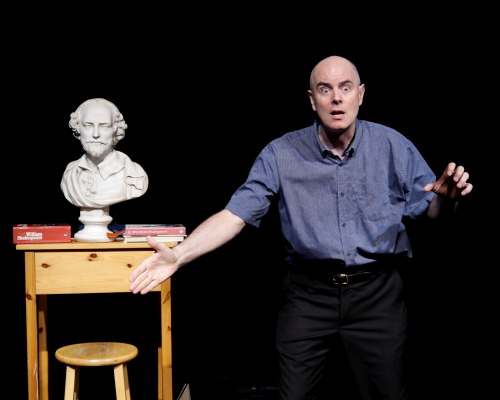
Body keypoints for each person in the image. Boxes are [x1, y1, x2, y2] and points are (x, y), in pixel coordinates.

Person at [129, 56, 472, 399]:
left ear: (360, 95)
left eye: (345, 88)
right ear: (312, 99)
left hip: (377, 296)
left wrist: (448, 198)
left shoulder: (392, 145)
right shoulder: (281, 153)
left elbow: (430, 209)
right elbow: (235, 215)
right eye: (326, 90)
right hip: (309, 296)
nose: (336, 98)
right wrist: (178, 256)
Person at [61, 98, 148, 209]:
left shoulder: (133, 175)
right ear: (78, 128)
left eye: (104, 126)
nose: (96, 134)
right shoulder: (70, 173)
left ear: (115, 129)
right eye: (88, 125)